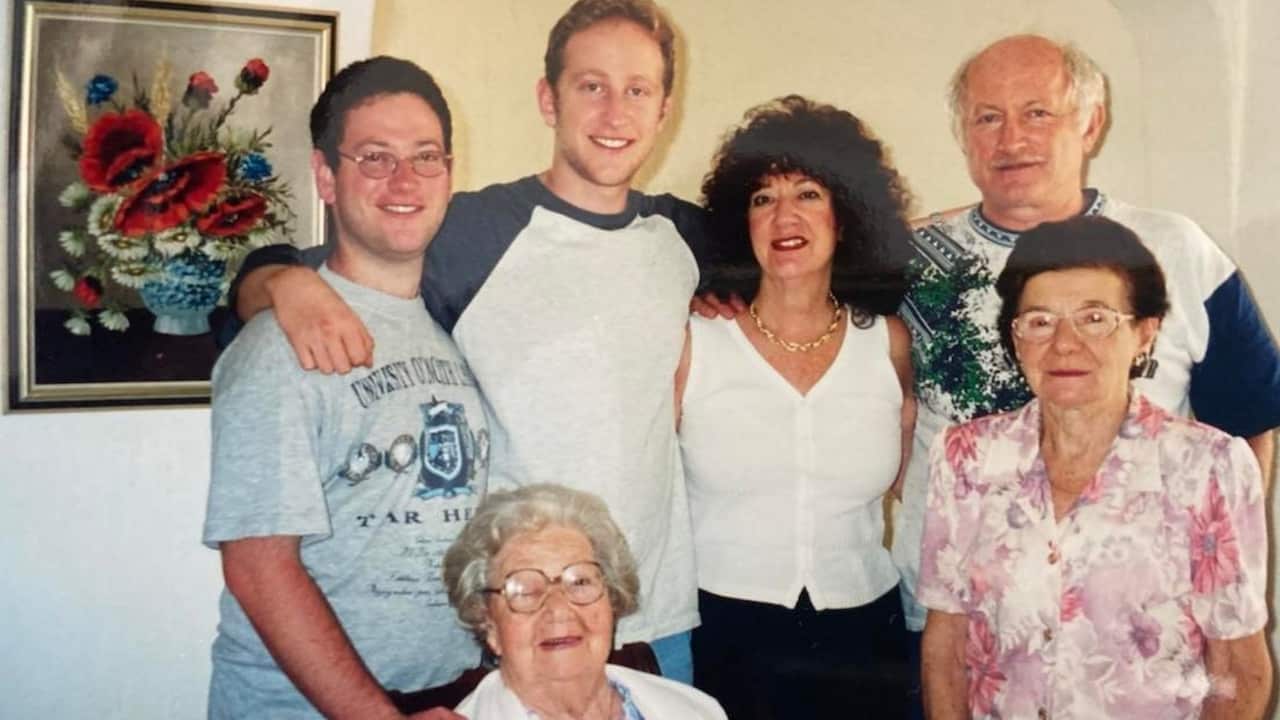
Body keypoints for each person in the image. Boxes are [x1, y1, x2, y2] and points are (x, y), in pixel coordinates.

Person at [221, 0, 706, 681]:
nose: (614, 114)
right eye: (590, 86)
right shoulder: (471, 230)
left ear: (664, 108)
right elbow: (312, 275)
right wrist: (276, 281)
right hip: (523, 623)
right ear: (548, 98)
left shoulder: (680, 240)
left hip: (660, 622)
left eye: (637, 91)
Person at [892, 33, 1280, 659]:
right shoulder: (910, 262)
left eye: (1037, 113)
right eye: (987, 118)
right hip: (956, 624)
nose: (1011, 139)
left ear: (1091, 123)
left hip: (1143, 637)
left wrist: (1216, 579)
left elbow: (1249, 426)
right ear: (964, 135)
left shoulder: (1177, 251)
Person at [202, 57, 486, 720]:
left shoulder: (446, 335)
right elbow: (259, 568)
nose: (405, 180)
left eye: (426, 156)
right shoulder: (281, 343)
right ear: (326, 176)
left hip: (440, 699)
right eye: (375, 157)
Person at [918, 215, 1271, 719]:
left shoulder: (1207, 467)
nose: (1064, 344)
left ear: (1145, 334)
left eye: (1095, 318)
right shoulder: (966, 458)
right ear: (1016, 340)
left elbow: (1239, 664)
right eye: (1040, 321)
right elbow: (946, 647)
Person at [675, 95, 915, 717]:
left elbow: (902, 480)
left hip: (866, 635)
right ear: (739, 221)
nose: (785, 215)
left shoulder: (888, 343)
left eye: (807, 192)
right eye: (762, 197)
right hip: (724, 638)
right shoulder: (693, 339)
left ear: (847, 213)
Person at [444, 484, 728, 719]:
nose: (558, 610)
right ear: (487, 622)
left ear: (612, 600)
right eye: (526, 590)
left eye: (580, 582)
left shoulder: (696, 710)